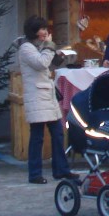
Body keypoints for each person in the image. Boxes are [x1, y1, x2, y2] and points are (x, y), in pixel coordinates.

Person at [18, 15, 74, 184]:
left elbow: (49, 65)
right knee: (37, 136)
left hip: (46, 96)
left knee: (57, 133)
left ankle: (61, 170)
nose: (45, 32)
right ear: (34, 31)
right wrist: (49, 48)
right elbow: (41, 63)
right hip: (37, 95)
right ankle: (34, 174)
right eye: (42, 29)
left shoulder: (39, 46)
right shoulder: (26, 48)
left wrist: (57, 56)